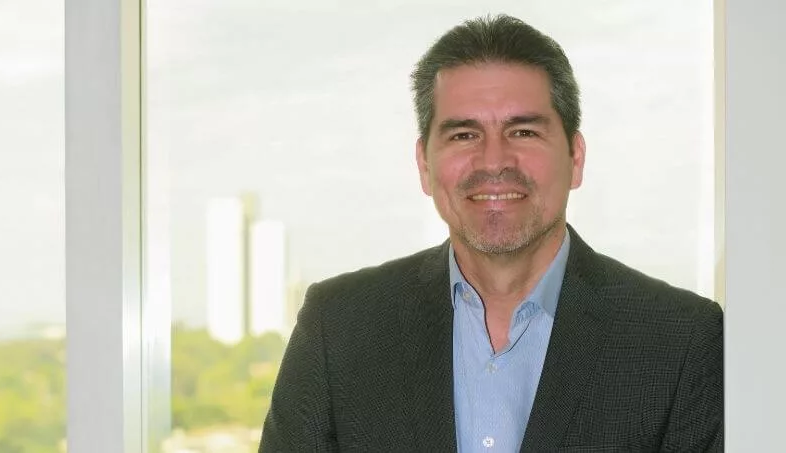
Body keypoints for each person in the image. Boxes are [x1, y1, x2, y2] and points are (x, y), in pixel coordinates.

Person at [260, 14, 723, 453]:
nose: (494, 161)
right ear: (424, 165)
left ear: (575, 158)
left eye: (523, 132)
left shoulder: (680, 341)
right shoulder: (339, 328)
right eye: (463, 135)